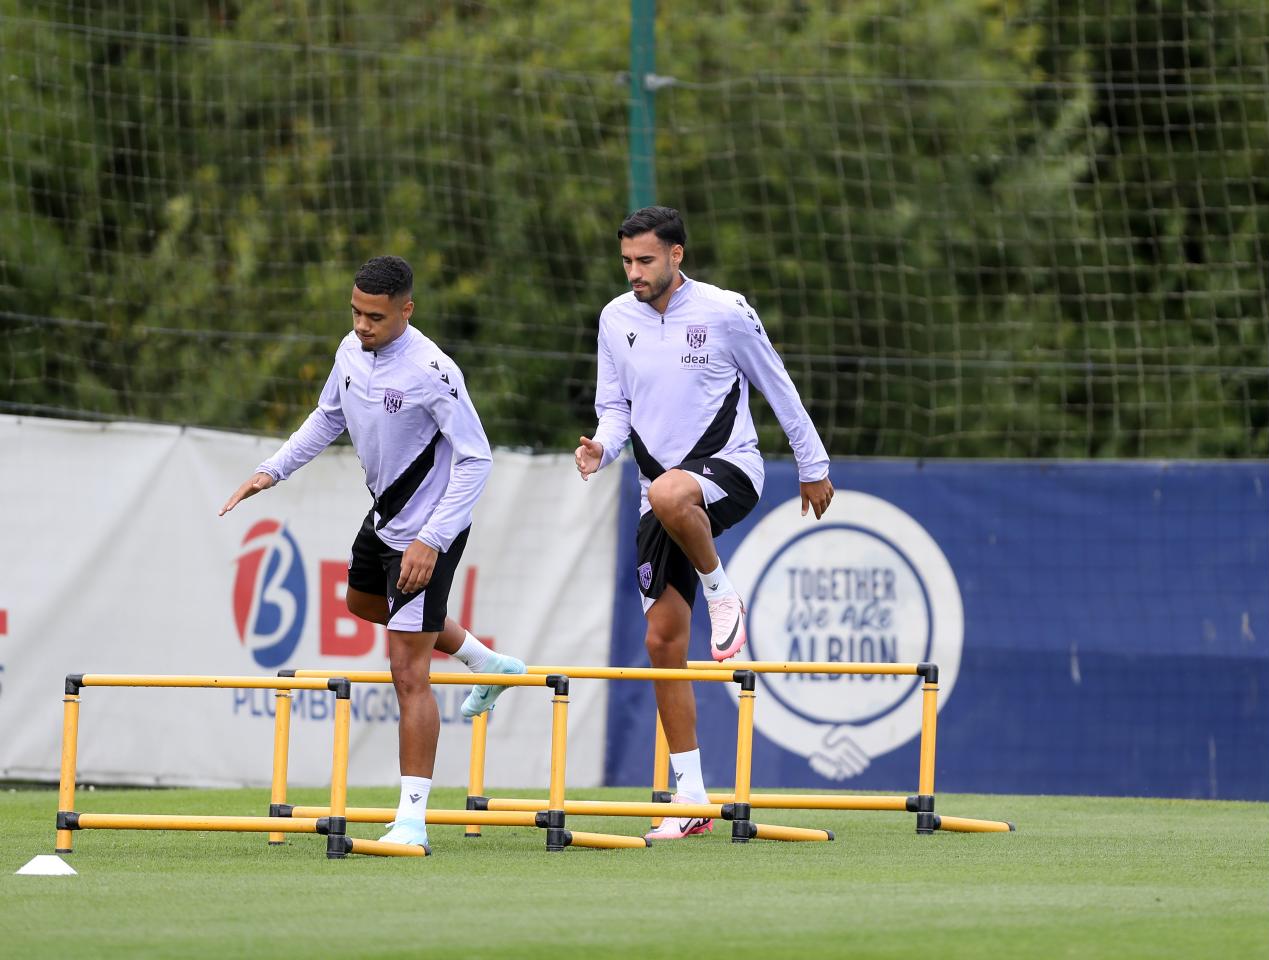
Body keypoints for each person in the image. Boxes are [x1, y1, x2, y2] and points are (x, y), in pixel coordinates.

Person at [220, 255, 525, 849]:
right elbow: (327, 416)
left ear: (406, 310)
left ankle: (411, 822)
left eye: (375, 317)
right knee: (360, 603)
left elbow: (476, 458)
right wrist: (271, 470)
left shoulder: (434, 370)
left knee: (408, 672)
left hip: (430, 532)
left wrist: (431, 540)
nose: (362, 325)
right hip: (384, 521)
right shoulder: (349, 351)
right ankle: (486, 661)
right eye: (356, 312)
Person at [575, 207, 834, 840]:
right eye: (626, 262)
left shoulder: (726, 311)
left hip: (730, 470)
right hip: (658, 494)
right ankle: (690, 796)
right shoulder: (615, 319)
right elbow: (614, 409)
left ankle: (722, 593)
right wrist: (601, 448)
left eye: (646, 261)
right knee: (663, 643)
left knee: (671, 492)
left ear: (677, 255)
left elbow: (778, 385)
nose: (634, 273)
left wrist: (813, 464)